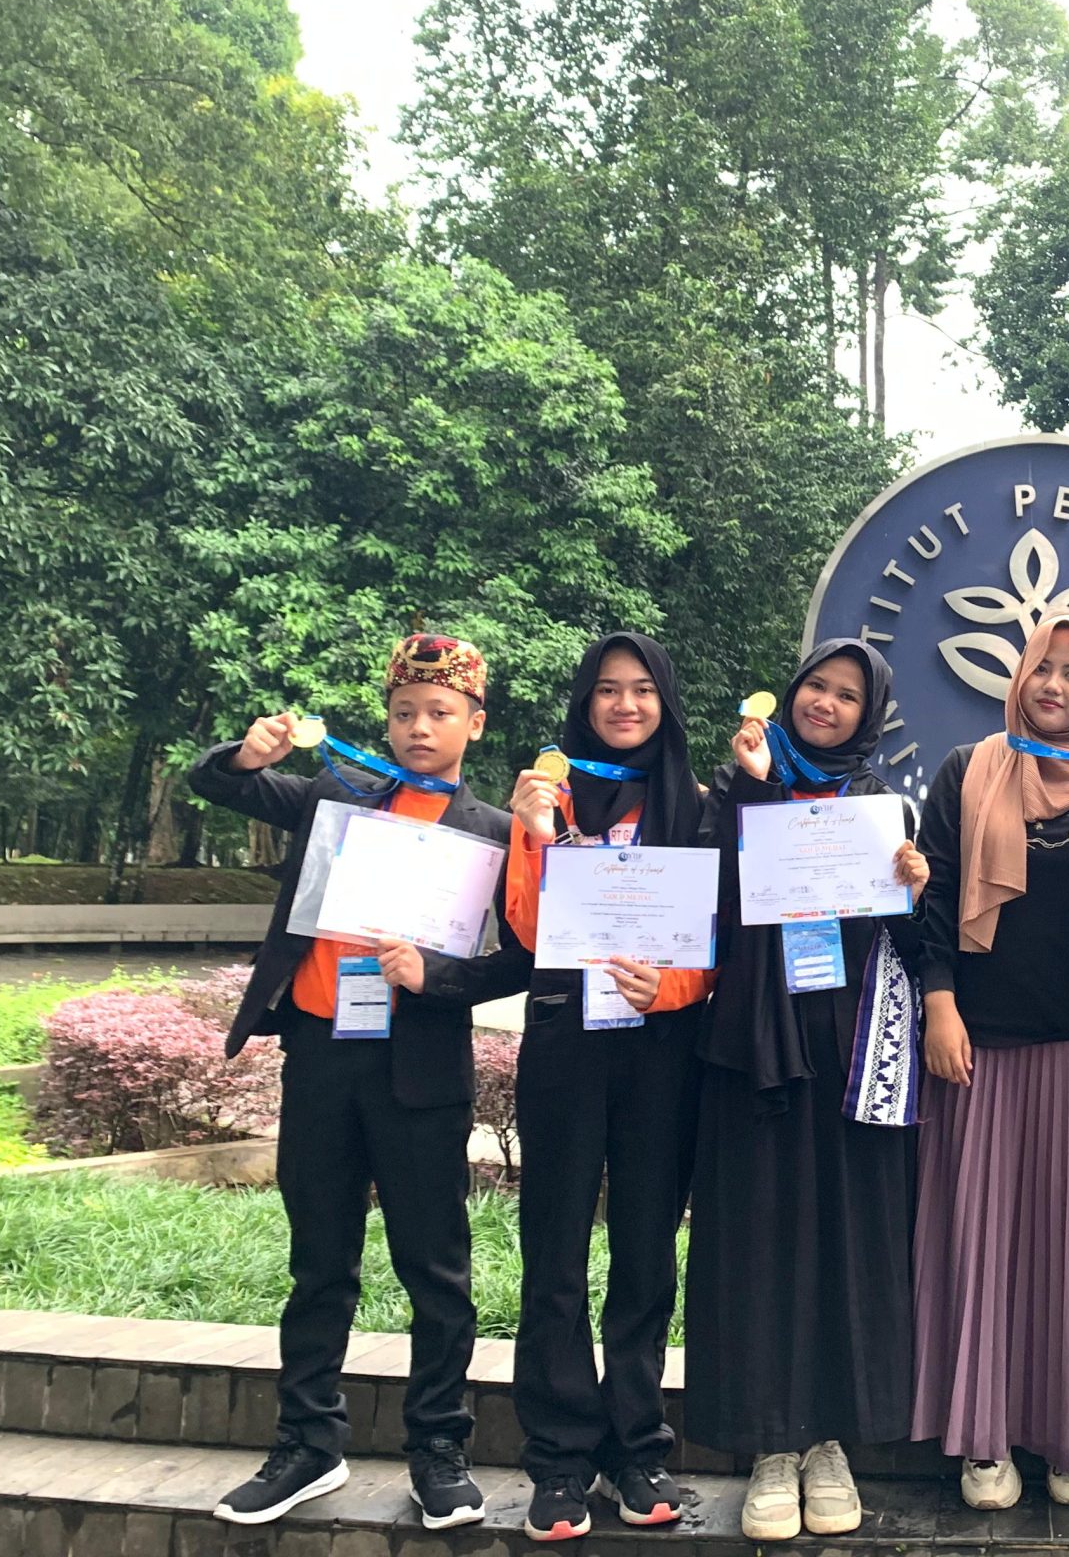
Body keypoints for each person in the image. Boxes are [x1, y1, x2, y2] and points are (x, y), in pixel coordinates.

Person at [186, 633, 511, 1532]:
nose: (419, 726)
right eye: (405, 711)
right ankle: (307, 1444)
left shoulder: (494, 832)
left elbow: (523, 957)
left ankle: (439, 1448)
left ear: (473, 725)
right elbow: (221, 785)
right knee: (319, 1262)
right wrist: (247, 755)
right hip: (324, 1056)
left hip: (421, 1068)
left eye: (440, 712)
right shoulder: (337, 794)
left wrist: (437, 978)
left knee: (435, 1270)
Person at [910, 611, 1069, 1510]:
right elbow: (932, 897)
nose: (1052, 686)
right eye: (1042, 668)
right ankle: (982, 1442)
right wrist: (940, 1005)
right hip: (978, 1042)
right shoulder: (969, 770)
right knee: (982, 1241)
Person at [685, 639, 932, 1543]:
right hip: (756, 1052)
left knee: (846, 1239)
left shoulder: (881, 806)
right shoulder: (735, 790)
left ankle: (828, 1439)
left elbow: (911, 938)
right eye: (815, 689)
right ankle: (768, 1444)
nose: (826, 705)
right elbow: (707, 899)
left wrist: (915, 884)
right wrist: (752, 788)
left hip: (851, 1053)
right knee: (758, 1239)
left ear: (871, 715)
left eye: (847, 696)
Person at [472, 633, 714, 1542]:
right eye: (608, 691)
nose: (624, 706)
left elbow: (717, 938)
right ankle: (561, 1458)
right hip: (569, 1041)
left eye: (643, 690)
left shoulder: (693, 804)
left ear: (665, 703)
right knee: (557, 1251)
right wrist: (532, 837)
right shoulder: (551, 798)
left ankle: (639, 1444)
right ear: (584, 703)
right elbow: (530, 932)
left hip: (663, 1049)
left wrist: (677, 985)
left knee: (648, 1254)